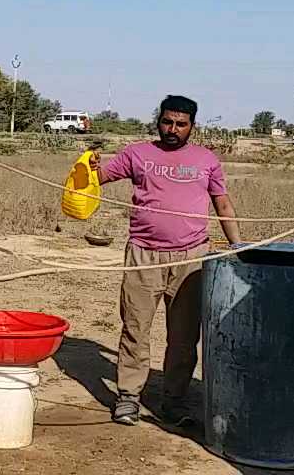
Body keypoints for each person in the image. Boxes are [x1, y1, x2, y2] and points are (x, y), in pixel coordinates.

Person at [91, 95, 243, 426]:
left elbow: (223, 205)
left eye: (180, 124)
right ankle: (129, 397)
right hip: (144, 255)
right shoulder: (137, 154)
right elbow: (96, 180)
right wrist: (88, 167)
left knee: (185, 336)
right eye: (166, 122)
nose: (172, 129)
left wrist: (239, 248)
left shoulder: (207, 160)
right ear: (158, 120)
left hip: (192, 258)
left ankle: (173, 401)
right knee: (135, 328)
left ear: (192, 126)